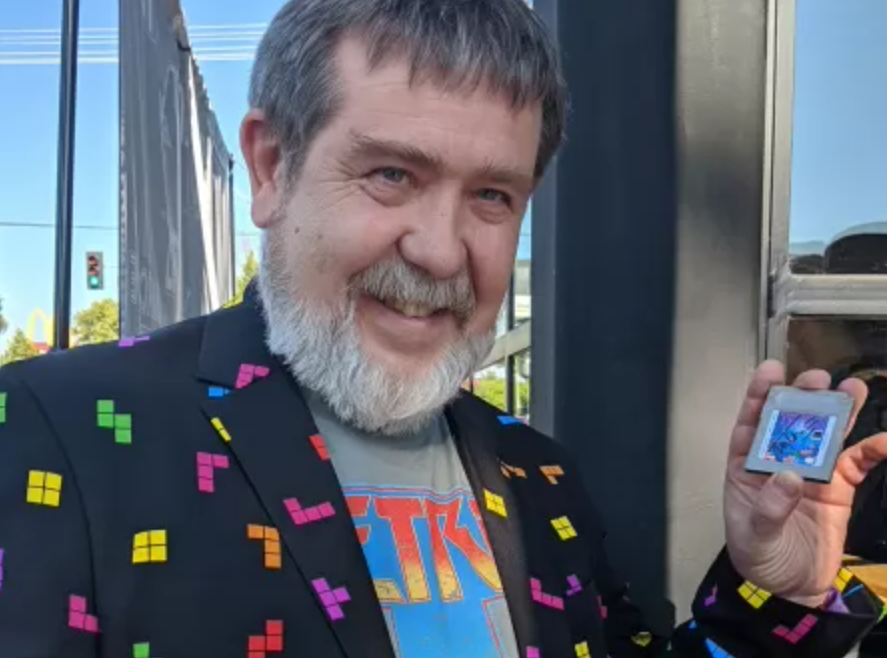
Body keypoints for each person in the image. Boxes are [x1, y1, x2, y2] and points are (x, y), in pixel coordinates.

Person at [0, 0, 885, 656]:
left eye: (491, 196)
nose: (438, 250)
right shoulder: (61, 430)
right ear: (270, 169)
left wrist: (774, 590)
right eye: (391, 174)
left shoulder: (538, 476)